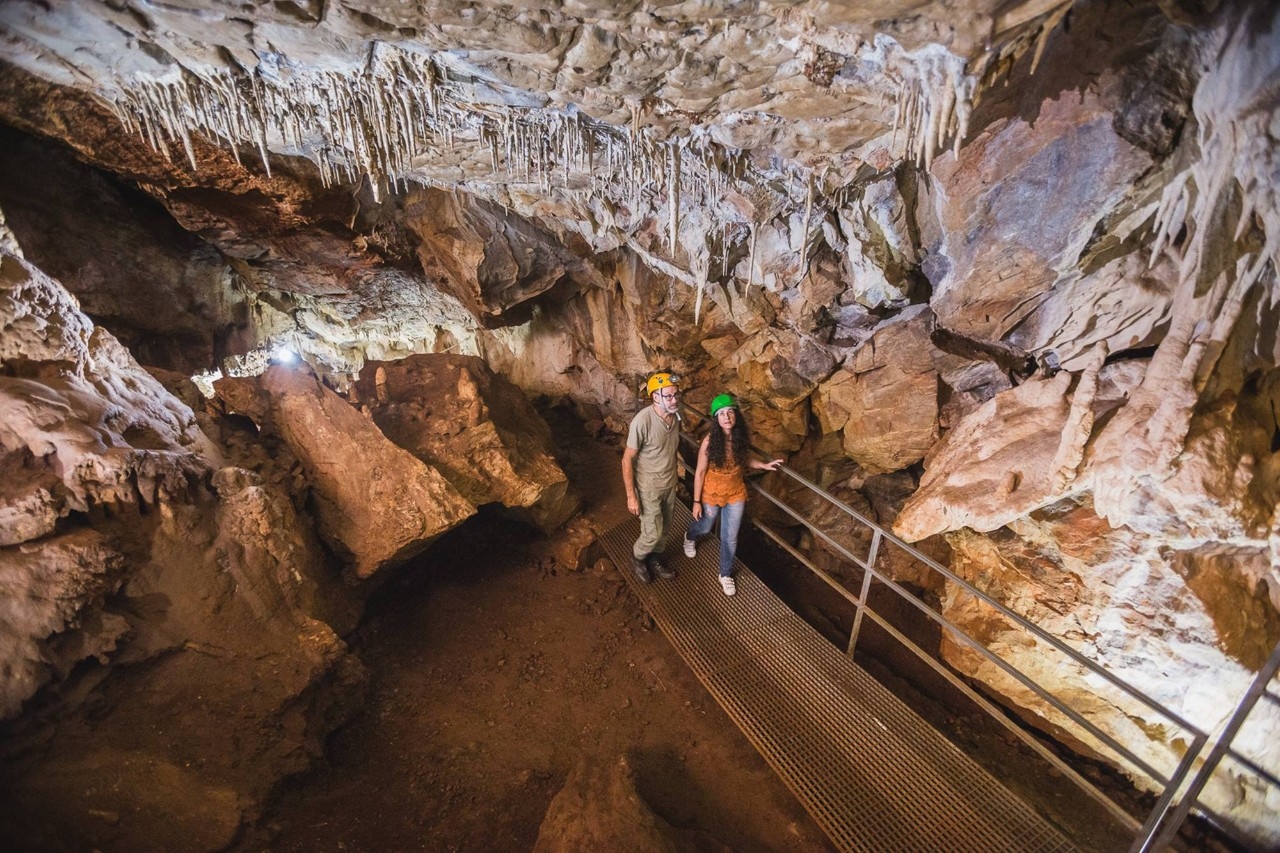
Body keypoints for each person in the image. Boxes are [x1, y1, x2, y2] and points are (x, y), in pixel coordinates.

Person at [683, 394, 783, 596]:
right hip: (711, 492)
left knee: (730, 537)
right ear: (716, 420)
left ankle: (725, 574)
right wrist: (696, 502)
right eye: (721, 414)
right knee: (705, 525)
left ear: (735, 414)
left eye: (729, 412)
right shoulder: (710, 442)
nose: (726, 417)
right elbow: (700, 472)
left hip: (735, 493)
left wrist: (762, 464)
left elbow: (744, 460)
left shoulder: (740, 438)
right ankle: (690, 536)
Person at [621, 371, 683, 584]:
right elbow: (627, 459)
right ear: (655, 397)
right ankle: (637, 558)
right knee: (652, 532)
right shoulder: (642, 421)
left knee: (665, 528)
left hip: (669, 483)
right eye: (668, 396)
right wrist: (631, 496)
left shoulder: (675, 416)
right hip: (649, 486)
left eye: (676, 395)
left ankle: (655, 558)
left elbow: (670, 448)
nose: (674, 400)